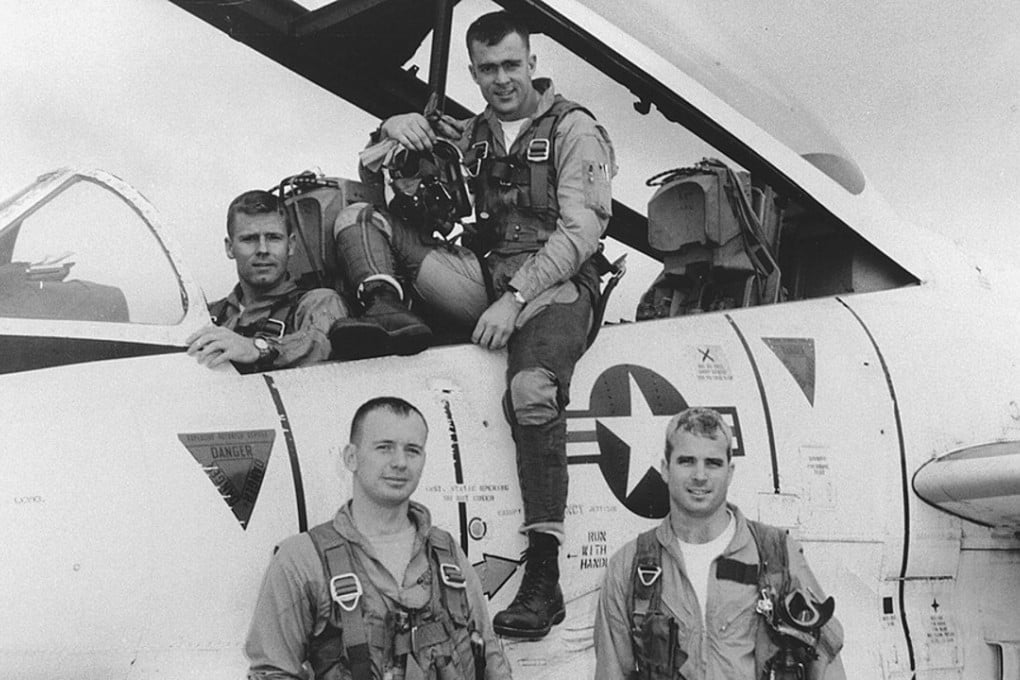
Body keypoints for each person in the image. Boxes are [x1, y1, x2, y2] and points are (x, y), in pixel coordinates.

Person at [328, 10, 616, 639]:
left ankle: (544, 574)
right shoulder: (473, 134)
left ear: (533, 63)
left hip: (556, 286)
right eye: (488, 69)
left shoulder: (575, 131)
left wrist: (514, 298)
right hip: (485, 279)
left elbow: (583, 231)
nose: (501, 79)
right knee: (356, 218)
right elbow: (380, 171)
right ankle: (388, 315)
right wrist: (392, 128)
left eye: (512, 65)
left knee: (531, 389)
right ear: (473, 72)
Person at [245, 396, 511, 679]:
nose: (400, 462)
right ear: (351, 457)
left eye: (412, 450)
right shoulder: (302, 560)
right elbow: (273, 672)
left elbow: (489, 653)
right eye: (384, 448)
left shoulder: (445, 552)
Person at [594, 408, 845, 680]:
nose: (700, 475)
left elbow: (826, 660)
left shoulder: (777, 554)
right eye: (686, 461)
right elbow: (611, 671)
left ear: (730, 471)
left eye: (713, 463)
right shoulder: (629, 567)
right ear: (666, 469)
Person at [186, 190, 347, 372]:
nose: (263, 249)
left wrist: (257, 349)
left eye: (273, 238)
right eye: (249, 239)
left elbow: (319, 342)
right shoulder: (207, 317)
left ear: (291, 245)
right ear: (230, 248)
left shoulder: (318, 302)